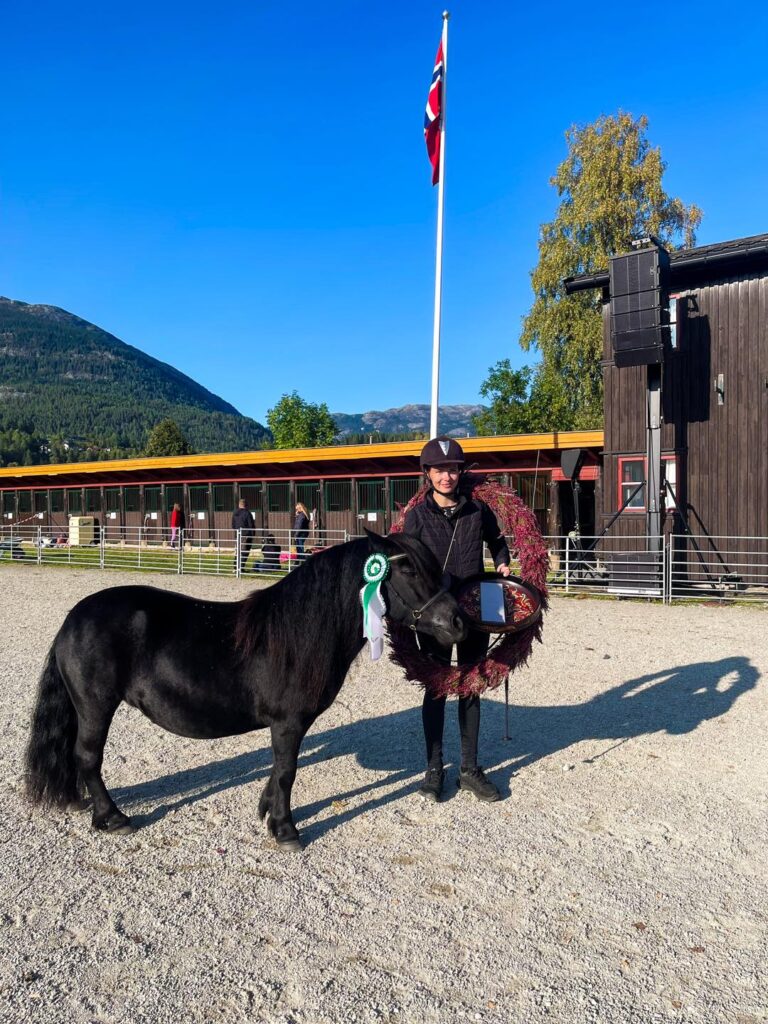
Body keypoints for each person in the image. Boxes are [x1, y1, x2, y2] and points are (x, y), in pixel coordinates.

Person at [403, 436, 511, 804]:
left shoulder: (477, 511)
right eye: (439, 469)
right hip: (433, 618)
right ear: (428, 474)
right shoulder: (416, 518)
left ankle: (469, 769)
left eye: (452, 468)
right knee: (435, 689)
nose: (446, 476)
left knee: (469, 687)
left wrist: (502, 562)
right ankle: (434, 770)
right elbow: (404, 565)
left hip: (473, 610)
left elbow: (497, 541)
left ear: (459, 471)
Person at [231, 498, 255, 574]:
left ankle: (235, 567)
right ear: (246, 505)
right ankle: (241, 568)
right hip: (246, 535)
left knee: (238, 551)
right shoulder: (247, 513)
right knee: (244, 552)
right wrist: (252, 534)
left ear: (239, 505)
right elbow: (251, 525)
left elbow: (233, 525)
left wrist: (237, 530)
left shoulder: (235, 513)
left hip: (238, 534)